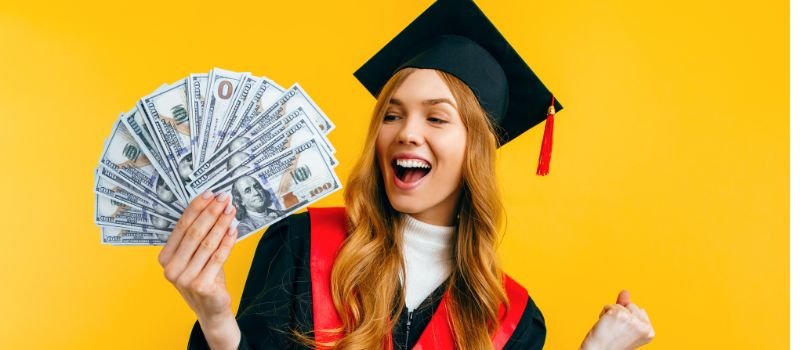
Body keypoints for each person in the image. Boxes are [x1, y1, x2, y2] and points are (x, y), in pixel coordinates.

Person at [158, 1, 655, 349]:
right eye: (392, 115)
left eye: (436, 118)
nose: (405, 133)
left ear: (476, 152)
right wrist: (218, 323)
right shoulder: (300, 244)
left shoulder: (514, 320)